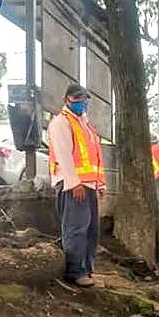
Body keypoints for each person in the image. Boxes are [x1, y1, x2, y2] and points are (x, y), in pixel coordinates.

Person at [47, 84, 106, 288]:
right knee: (76, 228)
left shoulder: (86, 125)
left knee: (91, 229)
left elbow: (95, 157)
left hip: (88, 185)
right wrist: (73, 183)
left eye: (84, 99)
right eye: (77, 99)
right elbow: (63, 155)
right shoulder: (61, 123)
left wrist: (100, 183)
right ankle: (75, 271)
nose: (81, 103)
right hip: (72, 184)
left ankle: (87, 269)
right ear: (67, 99)